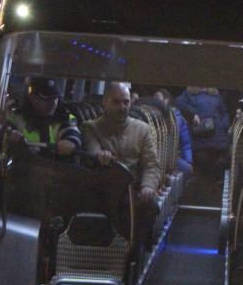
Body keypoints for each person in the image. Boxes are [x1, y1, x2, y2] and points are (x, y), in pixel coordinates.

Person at [82, 82, 162, 241]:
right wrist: (100, 156)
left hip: (132, 188)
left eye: (126, 102)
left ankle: (136, 253)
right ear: (105, 102)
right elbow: (92, 149)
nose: (122, 107)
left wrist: (148, 186)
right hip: (102, 188)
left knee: (150, 206)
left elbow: (151, 164)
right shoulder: (91, 127)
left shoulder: (142, 129)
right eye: (116, 102)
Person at [7, 77, 81, 158]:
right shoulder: (17, 117)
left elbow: (72, 133)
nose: (53, 103)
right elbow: (5, 131)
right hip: (23, 166)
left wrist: (70, 142)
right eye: (47, 98)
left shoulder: (66, 117)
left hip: (55, 167)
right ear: (33, 98)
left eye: (55, 98)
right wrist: (11, 135)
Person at [175, 86, 230, 178]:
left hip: (217, 136)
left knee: (217, 164)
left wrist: (222, 126)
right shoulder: (189, 94)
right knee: (202, 164)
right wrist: (193, 114)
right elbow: (179, 103)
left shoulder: (215, 95)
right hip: (199, 136)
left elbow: (224, 112)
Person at [153, 89, 193, 179]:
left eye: (158, 99)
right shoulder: (151, 116)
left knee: (187, 169)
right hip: (154, 157)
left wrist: (188, 161)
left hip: (171, 158)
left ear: (166, 101)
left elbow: (185, 144)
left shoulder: (178, 119)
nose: (155, 102)